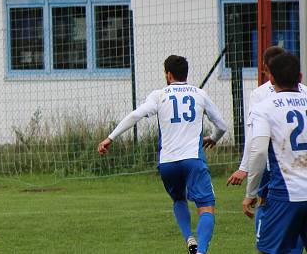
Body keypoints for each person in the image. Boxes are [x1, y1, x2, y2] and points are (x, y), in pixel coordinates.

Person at [98, 55, 227, 254]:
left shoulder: (159, 95)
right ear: (186, 73)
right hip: (193, 159)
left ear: (168, 74)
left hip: (167, 163)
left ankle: (189, 239)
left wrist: (110, 137)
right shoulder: (200, 94)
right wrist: (213, 138)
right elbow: (222, 125)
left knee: (178, 200)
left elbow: (135, 115)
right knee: (206, 206)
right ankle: (200, 251)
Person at [227, 46, 305, 254]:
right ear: (300, 76)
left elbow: (259, 151)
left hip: (285, 193)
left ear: (271, 78)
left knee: (267, 250)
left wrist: (251, 192)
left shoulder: (264, 106)